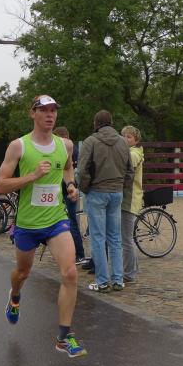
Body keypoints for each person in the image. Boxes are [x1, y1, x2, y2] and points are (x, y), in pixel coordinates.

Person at [0, 95, 86, 358]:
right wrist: (33, 176)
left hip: (56, 220)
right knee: (23, 273)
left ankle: (64, 337)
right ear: (32, 113)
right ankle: (14, 297)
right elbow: (0, 186)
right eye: (44, 110)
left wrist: (70, 185)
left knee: (70, 273)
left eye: (53, 110)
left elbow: (67, 168)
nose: (50, 115)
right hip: (27, 224)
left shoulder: (65, 145)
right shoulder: (18, 147)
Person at [77, 110, 133, 293]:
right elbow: (130, 170)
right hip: (117, 192)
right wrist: (121, 186)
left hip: (97, 192)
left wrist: (86, 188)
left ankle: (102, 281)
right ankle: (118, 279)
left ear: (96, 123)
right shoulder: (123, 142)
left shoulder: (91, 142)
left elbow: (82, 170)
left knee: (98, 238)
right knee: (115, 238)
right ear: (112, 122)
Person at [53, 126, 87, 265]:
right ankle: (74, 253)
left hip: (66, 189)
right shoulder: (76, 150)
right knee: (69, 220)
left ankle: (78, 253)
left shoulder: (67, 150)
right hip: (70, 188)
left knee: (70, 221)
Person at [120, 126, 145, 283]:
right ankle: (132, 269)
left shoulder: (134, 154)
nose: (125, 139)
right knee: (126, 238)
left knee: (126, 239)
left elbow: (127, 167)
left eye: (129, 137)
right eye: (123, 136)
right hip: (127, 200)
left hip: (129, 201)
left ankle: (129, 273)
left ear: (136, 140)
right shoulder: (130, 152)